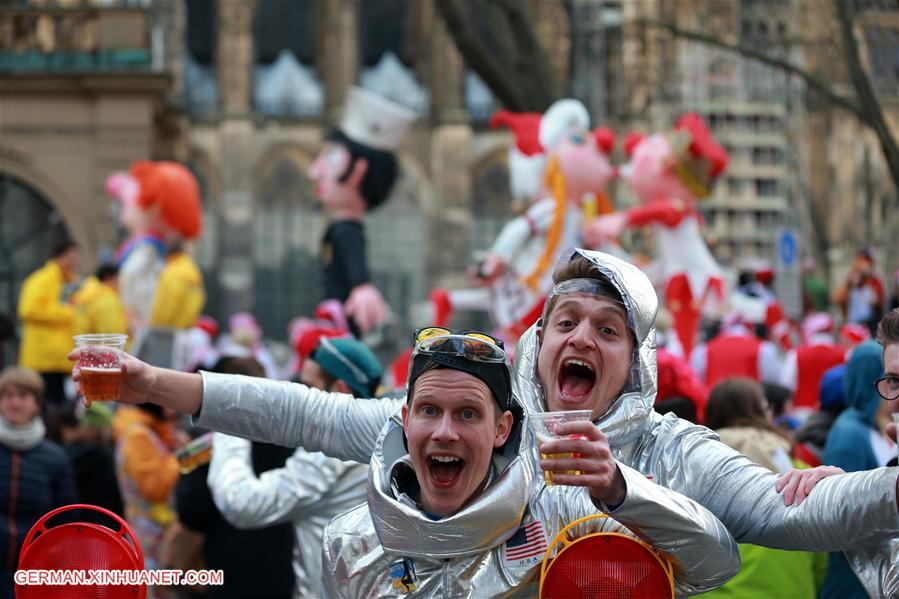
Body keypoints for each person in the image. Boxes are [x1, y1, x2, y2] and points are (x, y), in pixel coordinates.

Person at [70, 249, 899, 597]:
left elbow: (794, 517)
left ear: (635, 360)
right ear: (539, 338)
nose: (581, 338)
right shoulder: (470, 418)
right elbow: (303, 411)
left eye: (606, 330)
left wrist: (623, 487)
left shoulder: (668, 448)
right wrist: (152, 381)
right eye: (567, 320)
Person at [322, 329, 739, 596]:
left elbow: (715, 563)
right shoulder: (350, 542)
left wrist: (620, 488)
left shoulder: (559, 511)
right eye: (429, 410)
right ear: (406, 420)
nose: (444, 433)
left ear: (502, 429)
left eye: (468, 414)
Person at [207, 338, 378, 596]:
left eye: (307, 387)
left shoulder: (333, 454)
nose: (299, 396)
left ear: (340, 391)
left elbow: (243, 503)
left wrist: (229, 425)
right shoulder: (374, 438)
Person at [698, 377, 832, 599]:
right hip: (791, 590)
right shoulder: (801, 472)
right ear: (762, 413)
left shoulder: (693, 470)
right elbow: (821, 550)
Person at [175, 357, 295, 599]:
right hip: (280, 570)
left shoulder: (208, 447)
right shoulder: (290, 440)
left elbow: (190, 512)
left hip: (226, 569)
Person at [309, 86, 415, 335]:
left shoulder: (346, 230)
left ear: (358, 172)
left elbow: (355, 267)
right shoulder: (343, 228)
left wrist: (362, 286)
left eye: (330, 159)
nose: (315, 171)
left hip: (339, 326)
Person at [820, 340, 893, 598]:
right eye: (891, 379)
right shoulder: (849, 435)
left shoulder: (878, 424)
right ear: (871, 380)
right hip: (855, 581)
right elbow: (843, 518)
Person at [0, 366, 76, 599]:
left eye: (23, 396)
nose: (15, 403)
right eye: (8, 396)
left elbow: (67, 519)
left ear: (36, 404)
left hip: (35, 573)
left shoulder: (55, 457)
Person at [113, 401, 189, 596]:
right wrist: (182, 455)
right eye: (167, 403)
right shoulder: (138, 435)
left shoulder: (146, 431)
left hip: (152, 530)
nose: (173, 409)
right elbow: (155, 488)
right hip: (148, 533)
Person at [17, 239, 80, 408]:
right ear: (59, 257)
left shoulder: (69, 283)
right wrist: (66, 312)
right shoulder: (41, 279)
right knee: (45, 405)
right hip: (43, 358)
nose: (74, 261)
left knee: (57, 404)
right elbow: (28, 309)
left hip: (58, 359)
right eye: (71, 256)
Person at [72, 263, 129, 338]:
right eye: (118, 278)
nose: (120, 283)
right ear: (109, 278)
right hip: (99, 347)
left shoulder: (89, 292)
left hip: (84, 345)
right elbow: (111, 334)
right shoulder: (105, 298)